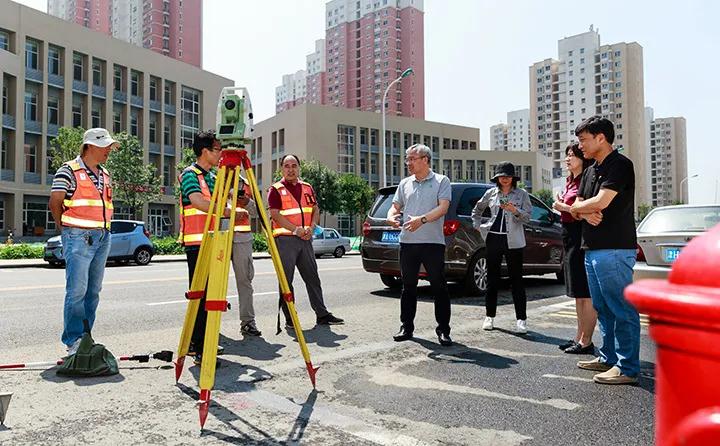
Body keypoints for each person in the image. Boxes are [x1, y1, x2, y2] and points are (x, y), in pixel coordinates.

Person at [570, 115, 639, 385]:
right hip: (592, 247)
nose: (580, 146)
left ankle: (627, 367)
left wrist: (582, 208)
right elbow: (577, 205)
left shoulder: (620, 165)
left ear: (601, 138)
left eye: (584, 140)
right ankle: (608, 356)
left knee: (620, 307)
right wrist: (584, 212)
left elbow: (602, 200)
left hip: (614, 248)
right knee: (602, 307)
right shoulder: (589, 170)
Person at [49, 128, 118, 355]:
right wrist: (66, 229)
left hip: (103, 236)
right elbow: (55, 202)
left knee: (93, 291)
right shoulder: (68, 170)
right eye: (105, 146)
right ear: (90, 146)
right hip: (78, 236)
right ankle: (73, 341)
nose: (109, 150)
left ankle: (86, 338)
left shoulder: (105, 174)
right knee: (77, 291)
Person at [387, 144, 452, 346]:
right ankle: (406, 327)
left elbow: (443, 208)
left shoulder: (441, 181)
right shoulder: (404, 183)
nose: (408, 163)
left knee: (439, 286)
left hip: (433, 243)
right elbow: (394, 207)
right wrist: (390, 216)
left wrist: (421, 220)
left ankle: (443, 330)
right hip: (408, 242)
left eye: (412, 159)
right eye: (407, 159)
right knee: (408, 286)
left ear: (425, 159)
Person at [268, 154, 343, 329]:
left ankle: (322, 314)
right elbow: (275, 215)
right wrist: (295, 230)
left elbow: (315, 209)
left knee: (312, 277)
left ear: (299, 168)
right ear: (281, 169)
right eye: (287, 166)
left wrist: (312, 227)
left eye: (294, 165)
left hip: (305, 239)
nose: (291, 169)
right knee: (286, 281)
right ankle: (290, 318)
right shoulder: (275, 189)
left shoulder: (307, 187)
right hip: (285, 240)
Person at [178, 130, 229, 364]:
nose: (220, 154)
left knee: (211, 295)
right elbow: (198, 202)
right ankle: (198, 347)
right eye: (218, 149)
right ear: (205, 151)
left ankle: (201, 342)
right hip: (197, 243)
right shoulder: (190, 174)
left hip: (213, 241)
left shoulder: (213, 177)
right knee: (201, 295)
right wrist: (226, 211)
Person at [471, 161, 532, 334]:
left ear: (513, 178)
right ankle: (489, 316)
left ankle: (521, 320)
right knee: (492, 279)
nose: (505, 179)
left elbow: (528, 217)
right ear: (497, 178)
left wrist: (515, 210)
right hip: (493, 238)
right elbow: (477, 210)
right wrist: (477, 225)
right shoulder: (491, 193)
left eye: (508, 176)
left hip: (514, 241)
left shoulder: (522, 194)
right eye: (501, 176)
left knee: (516, 280)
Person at [552, 143, 597, 354]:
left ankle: (587, 341)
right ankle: (578, 337)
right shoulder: (569, 181)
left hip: (581, 236)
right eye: (567, 155)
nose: (568, 159)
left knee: (586, 292)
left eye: (572, 155)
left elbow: (584, 211)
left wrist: (561, 206)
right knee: (578, 292)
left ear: (582, 158)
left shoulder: (586, 180)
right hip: (568, 236)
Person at [231, 176, 262, 337]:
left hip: (241, 238)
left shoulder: (247, 184)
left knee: (244, 282)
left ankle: (248, 322)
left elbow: (258, 212)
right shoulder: (212, 180)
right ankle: (208, 326)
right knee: (213, 283)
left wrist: (247, 202)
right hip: (218, 237)